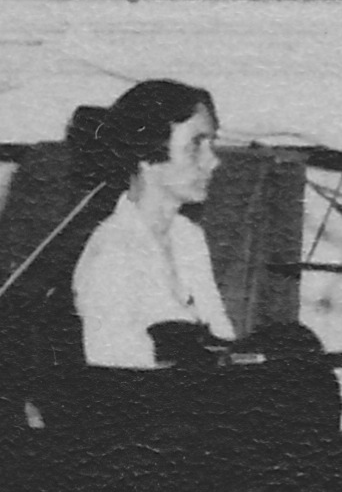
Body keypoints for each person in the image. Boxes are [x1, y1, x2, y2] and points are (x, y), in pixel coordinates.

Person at [69, 80, 237, 368]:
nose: (213, 162)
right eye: (196, 145)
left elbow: (223, 338)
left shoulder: (188, 236)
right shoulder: (112, 252)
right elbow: (115, 378)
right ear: (148, 154)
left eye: (212, 144)